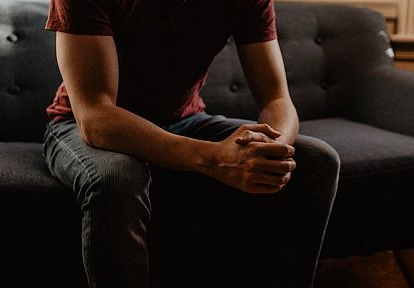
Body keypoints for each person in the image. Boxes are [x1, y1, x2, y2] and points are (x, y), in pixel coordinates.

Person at [43, 0, 340, 287]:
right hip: (80, 124)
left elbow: (277, 98)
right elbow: (95, 116)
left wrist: (270, 152)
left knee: (317, 161)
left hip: (184, 120)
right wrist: (215, 158)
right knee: (118, 178)